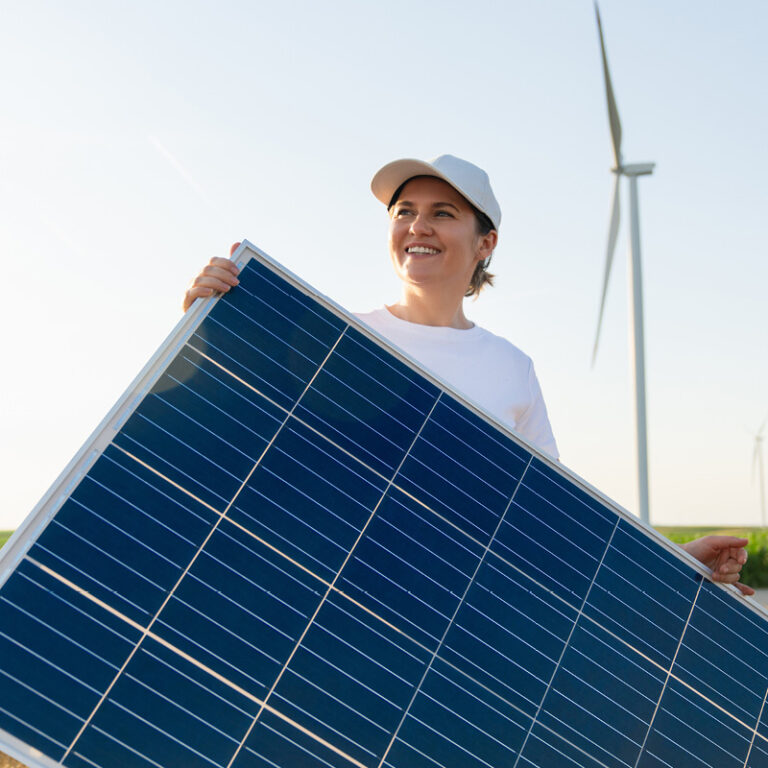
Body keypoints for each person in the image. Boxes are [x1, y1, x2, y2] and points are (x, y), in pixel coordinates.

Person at [182, 154, 753, 595]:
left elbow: (553, 523)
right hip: (319, 598)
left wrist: (675, 559)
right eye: (404, 212)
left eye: (442, 214)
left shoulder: (510, 369)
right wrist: (206, 327)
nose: (417, 226)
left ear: (486, 243)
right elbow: (235, 441)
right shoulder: (327, 337)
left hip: (449, 632)